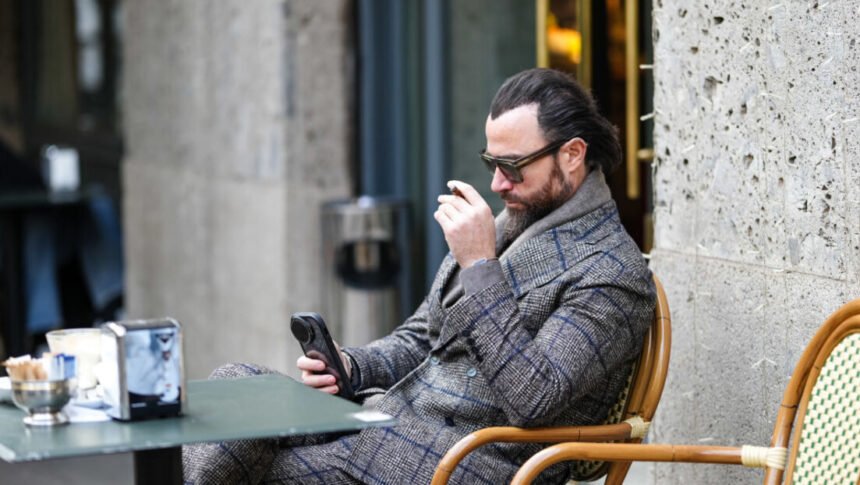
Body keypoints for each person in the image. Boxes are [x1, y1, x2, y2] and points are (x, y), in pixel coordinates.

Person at [183, 68, 656, 484]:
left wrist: (480, 268)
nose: (497, 183)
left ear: (572, 154)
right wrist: (351, 367)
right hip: (395, 428)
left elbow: (534, 397)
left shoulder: (612, 272)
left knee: (260, 468)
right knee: (237, 389)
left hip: (480, 461)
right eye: (492, 164)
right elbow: (421, 340)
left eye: (512, 167)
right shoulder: (506, 226)